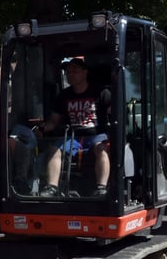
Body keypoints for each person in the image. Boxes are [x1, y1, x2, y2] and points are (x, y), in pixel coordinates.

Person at [37, 57, 111, 197]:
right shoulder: (64, 96)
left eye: (74, 71)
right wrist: (40, 129)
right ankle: (51, 187)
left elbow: (116, 113)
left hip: (96, 136)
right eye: (68, 72)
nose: (70, 74)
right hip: (73, 137)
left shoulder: (101, 92)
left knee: (102, 150)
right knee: (55, 149)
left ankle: (101, 187)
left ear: (85, 73)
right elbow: (53, 121)